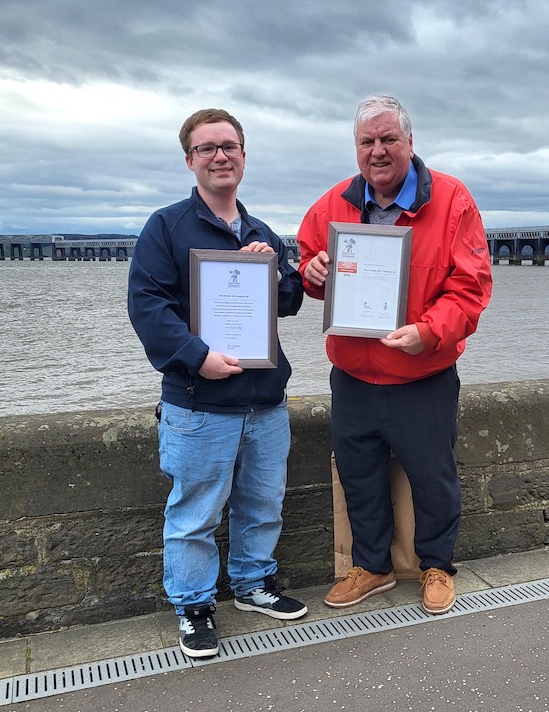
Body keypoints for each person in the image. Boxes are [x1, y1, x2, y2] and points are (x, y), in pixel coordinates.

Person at [297, 95, 492, 615]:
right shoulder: (331, 203)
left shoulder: (452, 200)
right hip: (354, 375)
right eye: (367, 142)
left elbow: (470, 288)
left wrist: (429, 333)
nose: (377, 150)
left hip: (422, 372)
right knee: (358, 476)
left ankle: (437, 565)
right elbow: (309, 263)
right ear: (356, 148)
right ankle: (373, 567)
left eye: (388, 139)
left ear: (410, 142)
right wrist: (311, 275)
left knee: (434, 477)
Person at [128, 108, 307, 659]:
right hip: (199, 403)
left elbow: (292, 300)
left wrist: (276, 271)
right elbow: (147, 304)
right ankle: (194, 606)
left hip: (265, 402)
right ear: (190, 160)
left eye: (229, 146)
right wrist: (196, 357)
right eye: (207, 148)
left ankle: (254, 584)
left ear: (244, 158)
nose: (220, 156)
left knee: (263, 502)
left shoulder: (261, 232)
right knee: (195, 512)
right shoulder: (167, 226)